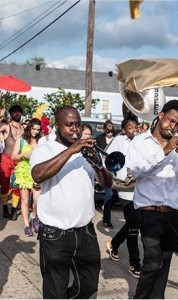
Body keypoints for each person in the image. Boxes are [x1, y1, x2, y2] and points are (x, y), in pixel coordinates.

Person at [30, 105, 113, 298]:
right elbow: (38, 174)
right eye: (69, 125)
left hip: (86, 232)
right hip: (55, 235)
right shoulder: (45, 149)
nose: (75, 129)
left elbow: (107, 183)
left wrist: (99, 166)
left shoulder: (88, 151)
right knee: (55, 292)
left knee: (89, 287)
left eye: (77, 124)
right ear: (57, 126)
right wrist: (72, 151)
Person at [126, 97, 178, 299]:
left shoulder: (177, 146)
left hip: (172, 213)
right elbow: (135, 171)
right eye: (171, 121)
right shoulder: (141, 142)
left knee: (164, 263)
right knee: (151, 261)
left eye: (177, 124)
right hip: (148, 211)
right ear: (160, 116)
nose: (173, 126)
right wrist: (165, 151)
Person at [106, 116, 141, 278]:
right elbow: (107, 158)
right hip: (125, 187)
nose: (134, 129)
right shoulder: (118, 141)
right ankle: (135, 263)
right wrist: (116, 172)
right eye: (130, 127)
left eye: (136, 127)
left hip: (140, 187)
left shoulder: (141, 141)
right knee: (133, 227)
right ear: (123, 129)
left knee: (134, 223)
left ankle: (114, 243)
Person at [11, 118, 42, 237]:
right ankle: (26, 225)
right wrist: (23, 154)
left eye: (38, 129)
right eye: (33, 129)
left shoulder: (41, 141)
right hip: (24, 172)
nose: (35, 131)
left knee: (37, 201)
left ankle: (33, 216)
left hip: (37, 173)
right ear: (29, 128)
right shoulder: (22, 140)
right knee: (24, 200)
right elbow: (13, 157)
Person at [0, 105, 24, 220]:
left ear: (21, 113)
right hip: (6, 159)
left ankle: (14, 209)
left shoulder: (24, 129)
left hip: (18, 161)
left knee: (16, 185)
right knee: (4, 184)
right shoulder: (6, 126)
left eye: (19, 111)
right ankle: (5, 207)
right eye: (14, 111)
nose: (16, 113)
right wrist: (0, 115)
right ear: (10, 114)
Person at [96, 119, 117, 228]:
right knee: (109, 194)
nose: (110, 134)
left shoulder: (117, 138)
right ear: (104, 130)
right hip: (105, 168)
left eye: (111, 132)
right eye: (108, 132)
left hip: (116, 169)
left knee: (116, 195)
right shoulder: (99, 138)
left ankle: (106, 206)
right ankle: (106, 220)